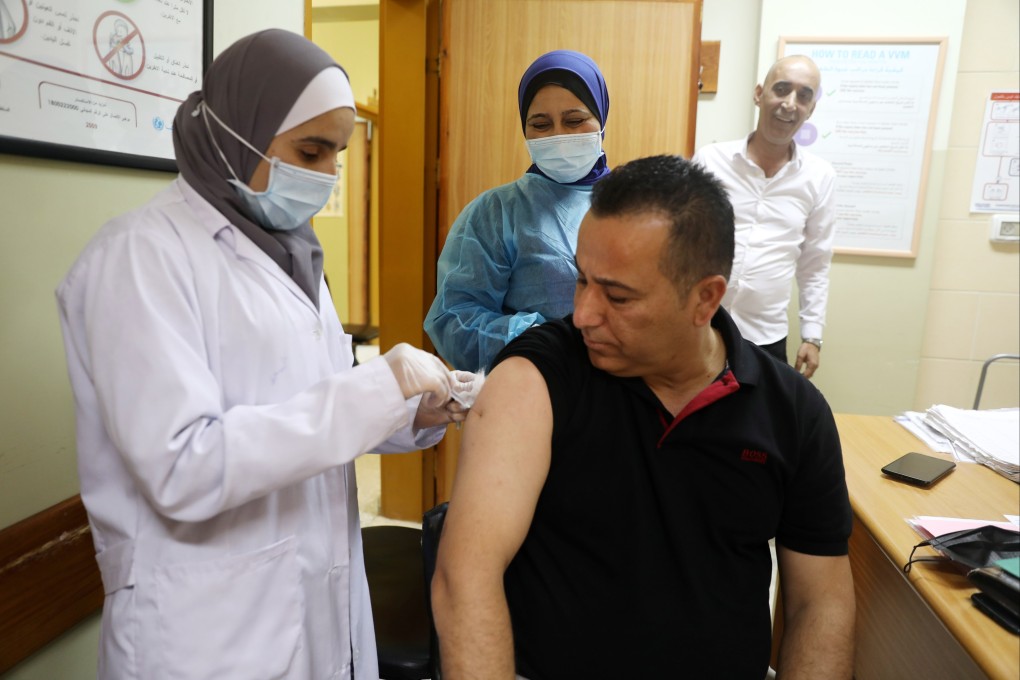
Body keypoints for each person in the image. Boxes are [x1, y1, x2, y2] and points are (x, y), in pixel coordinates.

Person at [55, 29, 475, 680]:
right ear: (236, 129)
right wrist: (379, 388)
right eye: (310, 151)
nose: (327, 176)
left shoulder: (288, 253)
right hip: (208, 629)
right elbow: (182, 467)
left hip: (313, 599)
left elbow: (311, 409)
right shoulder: (140, 258)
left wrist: (408, 414)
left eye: (337, 154)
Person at [432, 155, 855, 679]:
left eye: (618, 296)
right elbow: (466, 575)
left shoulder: (792, 412)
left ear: (705, 299)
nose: (584, 313)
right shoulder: (538, 376)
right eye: (582, 281)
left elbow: (821, 604)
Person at [424, 49, 610, 373]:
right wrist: (539, 339)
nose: (558, 136)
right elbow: (453, 319)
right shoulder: (497, 213)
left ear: (601, 120)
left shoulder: (634, 205)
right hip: (536, 388)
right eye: (540, 124)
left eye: (574, 120)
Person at [692, 55, 836, 378]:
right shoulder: (710, 161)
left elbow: (815, 264)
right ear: (759, 94)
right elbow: (680, 241)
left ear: (811, 108)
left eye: (803, 95)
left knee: (757, 427)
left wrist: (813, 336)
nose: (790, 103)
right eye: (781, 89)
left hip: (765, 337)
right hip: (700, 326)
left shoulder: (819, 177)